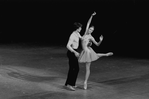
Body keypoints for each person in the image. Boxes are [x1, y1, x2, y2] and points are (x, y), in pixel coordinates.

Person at [79, 12, 113, 90]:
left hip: (88, 51)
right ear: (88, 28)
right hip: (84, 51)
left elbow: (97, 44)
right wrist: (91, 16)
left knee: (88, 68)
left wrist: (100, 40)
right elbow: (88, 22)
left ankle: (85, 82)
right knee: (96, 55)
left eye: (92, 30)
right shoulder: (85, 33)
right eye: (90, 29)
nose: (91, 31)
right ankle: (106, 54)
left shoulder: (91, 37)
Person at [65, 22, 82, 91]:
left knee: (73, 68)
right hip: (71, 52)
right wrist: (75, 52)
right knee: (75, 69)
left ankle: (68, 83)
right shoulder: (72, 35)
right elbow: (68, 46)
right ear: (77, 28)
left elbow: (82, 38)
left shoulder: (77, 33)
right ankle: (70, 84)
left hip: (74, 51)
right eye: (80, 28)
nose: (81, 29)